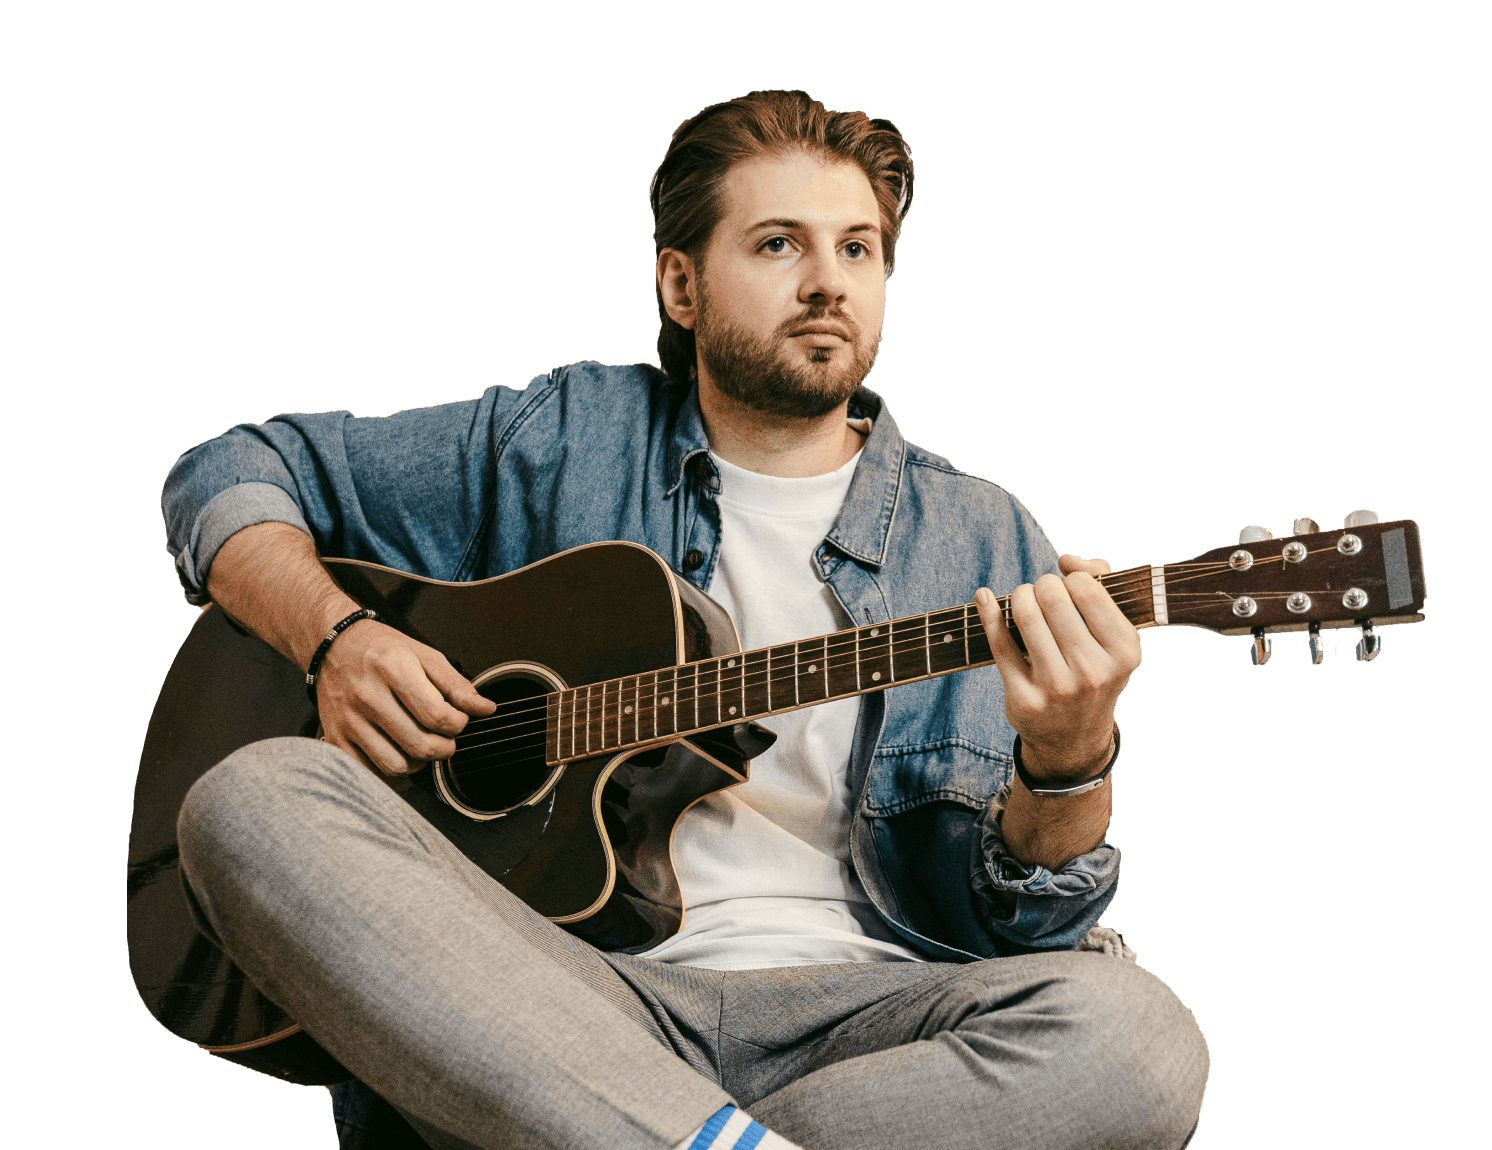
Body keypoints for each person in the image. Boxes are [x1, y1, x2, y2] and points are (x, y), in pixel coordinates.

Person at [165, 90, 1209, 1150]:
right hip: (556, 999)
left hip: (869, 1019)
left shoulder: (986, 538)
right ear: (680, 284)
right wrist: (335, 635)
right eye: (776, 244)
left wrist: (1071, 757)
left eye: (858, 249)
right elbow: (232, 470)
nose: (825, 284)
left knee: (1139, 1039)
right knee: (249, 798)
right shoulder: (557, 436)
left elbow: (1028, 928)